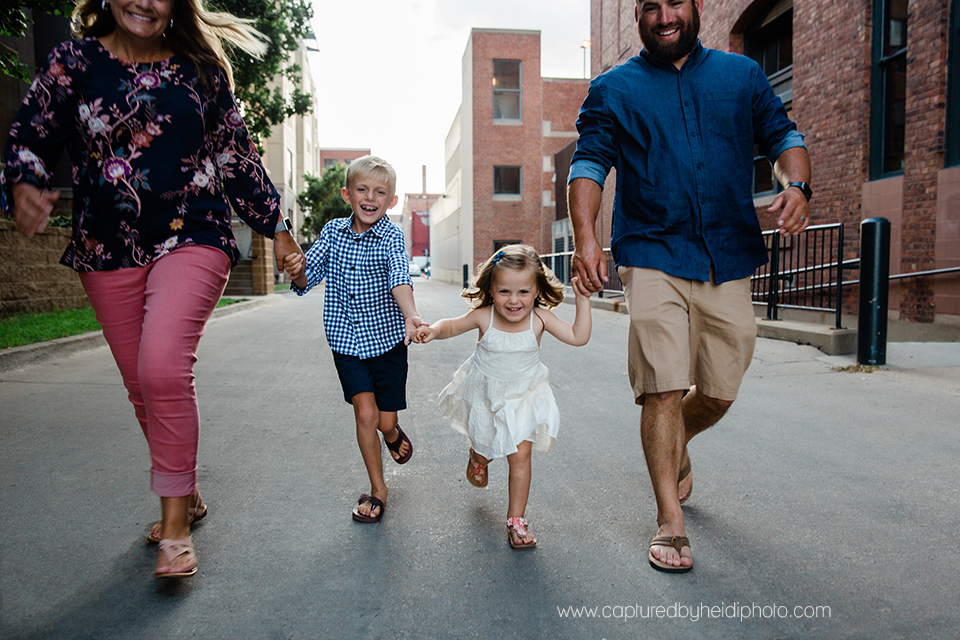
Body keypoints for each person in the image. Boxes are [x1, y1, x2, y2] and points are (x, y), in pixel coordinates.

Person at [1, 0, 305, 578]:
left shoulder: (200, 71)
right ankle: (183, 490)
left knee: (163, 367)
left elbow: (235, 154)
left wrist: (279, 231)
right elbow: (31, 134)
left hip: (194, 232)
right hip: (105, 244)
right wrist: (26, 182)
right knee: (141, 383)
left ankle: (175, 525)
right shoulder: (74, 62)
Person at [567, 0, 812, 573]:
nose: (664, 16)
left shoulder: (741, 75)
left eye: (674, 2)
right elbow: (589, 162)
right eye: (650, 7)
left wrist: (798, 185)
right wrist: (586, 236)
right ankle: (669, 521)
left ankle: (678, 445)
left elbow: (783, 136)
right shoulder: (612, 88)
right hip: (651, 250)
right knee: (663, 387)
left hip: (726, 252)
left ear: (695, 7)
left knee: (721, 389)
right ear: (637, 18)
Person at [417, 245, 592, 549]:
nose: (514, 300)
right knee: (487, 449)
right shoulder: (485, 317)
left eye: (523, 291)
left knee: (521, 457)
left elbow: (578, 337)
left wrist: (584, 300)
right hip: (487, 397)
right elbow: (452, 325)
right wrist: (433, 330)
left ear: (537, 290)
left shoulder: (540, 319)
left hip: (524, 397)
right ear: (492, 290)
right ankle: (477, 457)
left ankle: (516, 519)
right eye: (504, 292)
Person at [283, 155, 423, 525]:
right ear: (348, 194)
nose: (370, 197)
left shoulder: (392, 236)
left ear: (391, 201)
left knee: (384, 419)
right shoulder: (332, 233)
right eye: (362, 189)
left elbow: (399, 277)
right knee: (365, 412)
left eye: (380, 192)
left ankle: (391, 433)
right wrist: (297, 270)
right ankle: (379, 490)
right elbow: (306, 278)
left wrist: (411, 316)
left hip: (389, 342)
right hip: (347, 344)